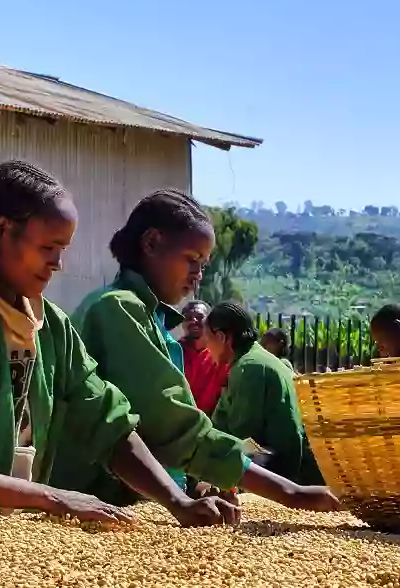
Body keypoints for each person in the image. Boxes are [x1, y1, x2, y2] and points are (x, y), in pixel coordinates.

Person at [0, 162, 237, 528]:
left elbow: (108, 423)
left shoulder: (51, 326)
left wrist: (179, 502)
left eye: (63, 249)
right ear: (0, 230)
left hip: (11, 528)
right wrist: (50, 497)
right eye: (48, 247)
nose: (57, 263)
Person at [62, 188, 340, 513]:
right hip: (99, 502)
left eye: (204, 265)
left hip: (124, 501)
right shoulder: (117, 309)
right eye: (191, 260)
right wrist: (290, 493)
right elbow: (171, 425)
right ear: (151, 243)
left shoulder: (142, 315)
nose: (197, 277)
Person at [203, 303, 324, 485]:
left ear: (221, 337)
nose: (207, 347)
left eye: (207, 340)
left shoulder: (249, 368)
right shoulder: (257, 359)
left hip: (281, 471)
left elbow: (242, 438)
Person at [179, 300, 230, 415]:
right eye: (188, 317)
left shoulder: (221, 354)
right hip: (181, 420)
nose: (193, 321)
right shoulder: (174, 351)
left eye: (199, 316)